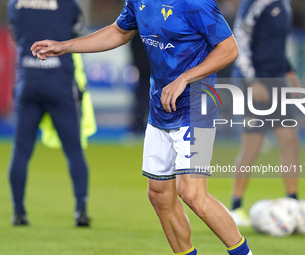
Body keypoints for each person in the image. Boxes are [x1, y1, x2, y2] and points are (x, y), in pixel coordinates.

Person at [31, 0, 253, 254]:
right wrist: (65, 46)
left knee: (192, 194)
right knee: (159, 194)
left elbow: (229, 49)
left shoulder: (195, 3)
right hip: (160, 108)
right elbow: (119, 31)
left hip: (196, 106)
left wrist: (185, 77)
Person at [8, 0, 92, 227]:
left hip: (28, 80)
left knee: (21, 149)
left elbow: (15, 32)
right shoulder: (68, 4)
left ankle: (18, 212)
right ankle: (81, 210)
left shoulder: (16, 3)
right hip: (60, 82)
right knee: (74, 149)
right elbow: (79, 32)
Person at [230, 0, 302, 226]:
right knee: (252, 147)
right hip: (254, 83)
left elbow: (276, 45)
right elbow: (239, 41)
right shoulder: (254, 3)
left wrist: (290, 73)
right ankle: (236, 206)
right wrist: (252, 82)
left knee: (290, 142)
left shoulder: (285, 4)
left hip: (277, 81)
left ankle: (292, 201)